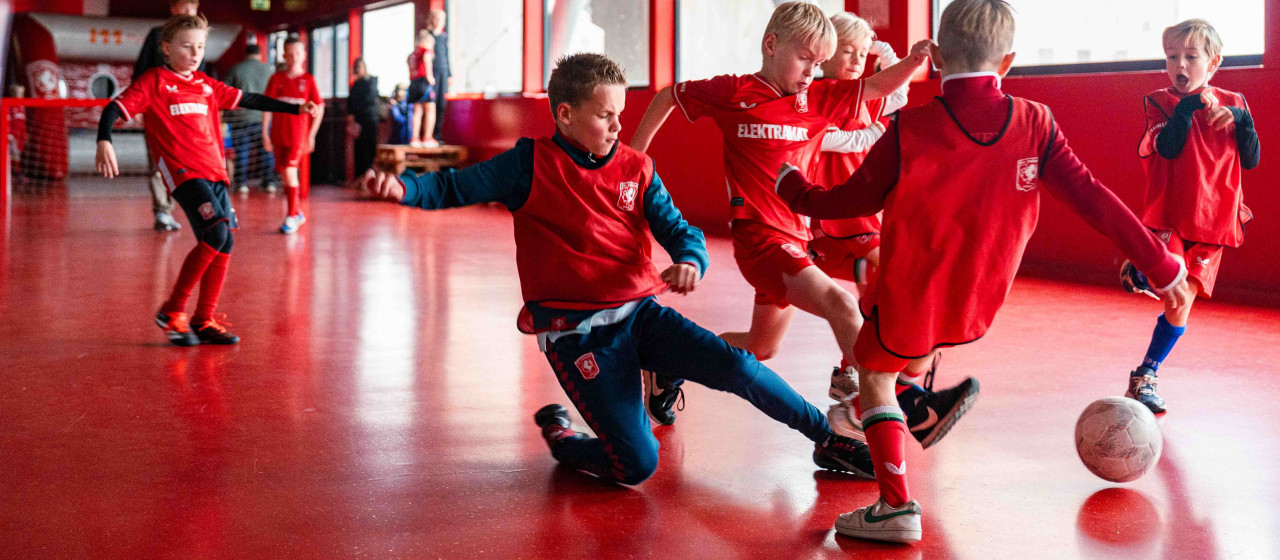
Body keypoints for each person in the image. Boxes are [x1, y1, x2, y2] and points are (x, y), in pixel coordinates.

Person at [774, 0, 1192, 543]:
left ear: (940, 58)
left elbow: (844, 200)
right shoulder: (1037, 122)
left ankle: (894, 505)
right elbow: (1094, 198)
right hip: (982, 295)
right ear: (1009, 61)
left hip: (912, 289)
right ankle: (916, 407)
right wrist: (1160, 265)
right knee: (904, 345)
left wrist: (790, 186)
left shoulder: (910, 127)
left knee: (872, 373)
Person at [361, 52, 878, 485]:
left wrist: (691, 260)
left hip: (641, 314)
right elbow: (452, 187)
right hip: (576, 334)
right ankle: (564, 440)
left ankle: (827, 439)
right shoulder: (528, 164)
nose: (618, 126)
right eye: (605, 115)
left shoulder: (636, 167)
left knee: (740, 367)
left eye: (621, 114)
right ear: (564, 115)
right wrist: (404, 187)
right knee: (636, 464)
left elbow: (680, 229)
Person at [630, 2, 929, 423]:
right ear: (771, 45)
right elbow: (668, 96)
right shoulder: (733, 92)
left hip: (796, 238)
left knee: (761, 345)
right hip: (759, 238)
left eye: (819, 63)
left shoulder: (820, 99)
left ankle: (669, 361)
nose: (811, 71)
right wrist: (634, 157)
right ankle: (895, 404)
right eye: (804, 59)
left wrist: (915, 61)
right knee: (842, 304)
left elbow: (879, 87)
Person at [97, 14, 318, 346]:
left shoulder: (205, 84)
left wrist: (296, 110)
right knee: (216, 231)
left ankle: (204, 319)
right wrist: (104, 139)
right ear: (167, 48)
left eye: (200, 46)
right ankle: (172, 310)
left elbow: (249, 99)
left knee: (224, 241)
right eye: (187, 46)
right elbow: (114, 108)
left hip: (214, 171)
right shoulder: (155, 81)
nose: (195, 52)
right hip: (183, 172)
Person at [1122, 18, 1261, 413]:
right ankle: (1143, 272)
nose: (1179, 65)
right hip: (1171, 214)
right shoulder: (1159, 100)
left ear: (1213, 63)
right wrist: (1188, 107)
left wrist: (1242, 121)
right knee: (1175, 289)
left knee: (1182, 301)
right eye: (1171, 57)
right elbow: (1167, 148)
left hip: (1216, 219)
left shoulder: (1236, 102)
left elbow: (1250, 160)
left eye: (1190, 57)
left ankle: (1144, 375)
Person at [808, 12, 914, 401]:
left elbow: (900, 93)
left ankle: (852, 371)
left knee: (871, 286)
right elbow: (840, 143)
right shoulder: (821, 97)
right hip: (840, 211)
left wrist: (882, 50)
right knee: (889, 272)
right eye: (847, 51)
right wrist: (879, 132)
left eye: (861, 53)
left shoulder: (866, 96)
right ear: (825, 53)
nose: (856, 60)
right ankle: (887, 373)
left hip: (863, 209)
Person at [134, 0, 204, 232]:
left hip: (187, 113)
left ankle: (182, 207)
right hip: (158, 112)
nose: (186, 12)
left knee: (184, 162)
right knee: (158, 163)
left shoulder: (198, 38)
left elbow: (199, 78)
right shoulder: (156, 36)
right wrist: (137, 105)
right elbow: (140, 72)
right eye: (182, 7)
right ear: (173, 9)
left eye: (191, 8)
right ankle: (162, 210)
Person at [263, 35, 325, 235]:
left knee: (290, 171)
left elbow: (320, 107)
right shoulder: (276, 79)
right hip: (278, 136)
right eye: (289, 54)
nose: (294, 57)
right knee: (284, 174)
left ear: (304, 55)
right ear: (284, 55)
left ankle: (291, 215)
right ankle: (297, 212)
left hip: (298, 137)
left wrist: (312, 134)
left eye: (297, 53)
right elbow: (266, 108)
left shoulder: (308, 80)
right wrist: (265, 132)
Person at [224, 43, 278, 193]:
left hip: (241, 118)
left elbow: (225, 90)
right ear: (260, 54)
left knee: (242, 152)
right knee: (266, 151)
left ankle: (241, 184)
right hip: (264, 117)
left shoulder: (236, 69)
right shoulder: (269, 70)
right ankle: (269, 182)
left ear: (246, 54)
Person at [347, 57, 381, 177]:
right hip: (358, 121)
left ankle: (370, 175)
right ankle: (360, 176)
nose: (358, 69)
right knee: (359, 149)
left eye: (359, 66)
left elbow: (369, 99)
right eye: (356, 67)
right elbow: (351, 103)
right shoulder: (355, 84)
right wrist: (351, 119)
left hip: (370, 119)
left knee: (370, 148)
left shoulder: (372, 81)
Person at [406, 29, 437, 147]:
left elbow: (409, 65)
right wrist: (430, 76)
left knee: (417, 111)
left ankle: (415, 138)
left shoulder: (412, 54)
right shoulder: (426, 51)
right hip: (424, 81)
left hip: (413, 82)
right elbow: (427, 60)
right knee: (430, 109)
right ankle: (428, 137)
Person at [428, 9, 451, 144]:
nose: (441, 22)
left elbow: (447, 57)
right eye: (439, 19)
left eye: (443, 20)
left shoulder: (444, 37)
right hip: (432, 73)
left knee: (441, 104)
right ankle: (428, 135)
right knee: (431, 104)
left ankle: (437, 135)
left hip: (443, 72)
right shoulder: (428, 35)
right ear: (433, 20)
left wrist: (449, 74)